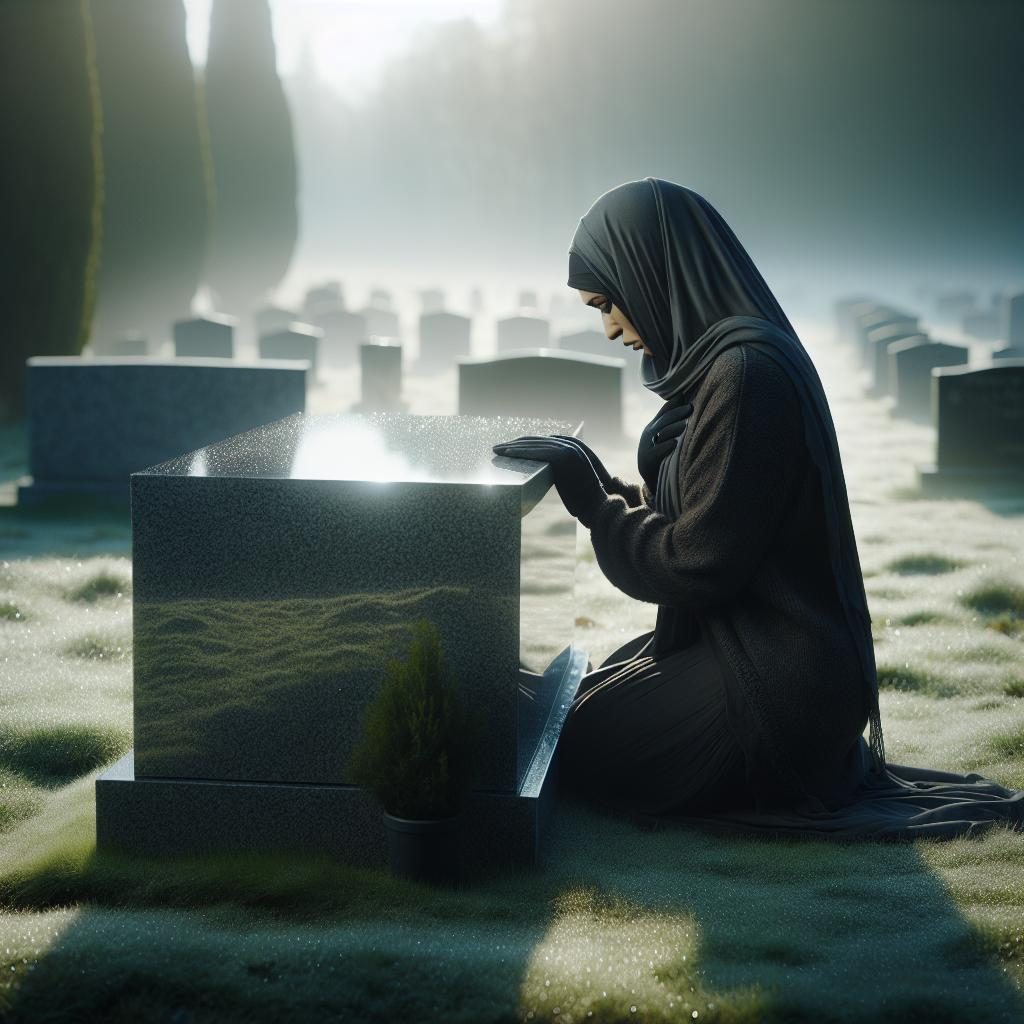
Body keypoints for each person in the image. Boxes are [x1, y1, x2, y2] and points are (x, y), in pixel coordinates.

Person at [493, 178, 1023, 840]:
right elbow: (713, 519)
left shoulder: (746, 375)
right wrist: (617, 484)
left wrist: (593, 505)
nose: (608, 329)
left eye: (608, 303)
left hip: (782, 681)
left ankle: (787, 757)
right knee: (592, 693)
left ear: (651, 273)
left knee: (580, 746)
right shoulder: (722, 366)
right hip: (759, 650)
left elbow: (699, 565)